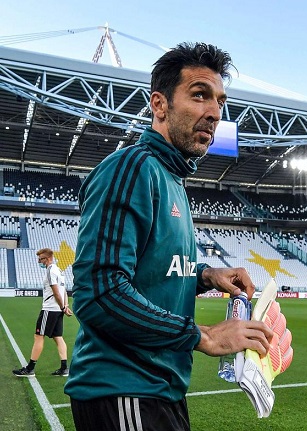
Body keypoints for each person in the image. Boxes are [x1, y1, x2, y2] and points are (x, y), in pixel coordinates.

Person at [64, 42, 278, 431]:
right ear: (159, 105)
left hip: (158, 389)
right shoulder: (132, 169)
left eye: (219, 101)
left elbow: (155, 269)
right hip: (124, 390)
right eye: (199, 95)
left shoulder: (172, 178)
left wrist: (206, 276)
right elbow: (99, 293)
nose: (214, 113)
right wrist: (206, 335)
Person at [13, 248, 72, 377]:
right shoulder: (60, 271)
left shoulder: (51, 270)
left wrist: (63, 307)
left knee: (38, 336)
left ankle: (30, 369)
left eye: (41, 259)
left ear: (48, 258)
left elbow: (57, 292)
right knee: (58, 337)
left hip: (50, 309)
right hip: (57, 310)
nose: (39, 261)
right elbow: (64, 291)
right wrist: (65, 306)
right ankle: (64, 368)